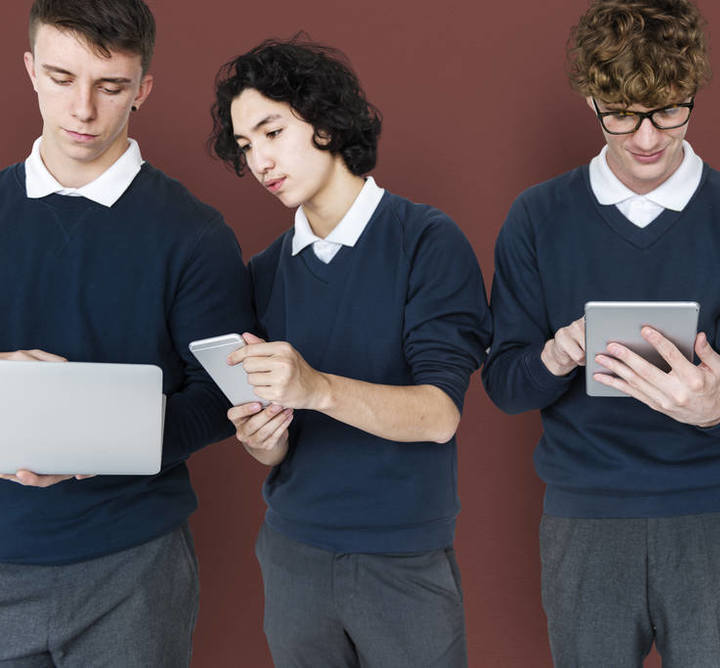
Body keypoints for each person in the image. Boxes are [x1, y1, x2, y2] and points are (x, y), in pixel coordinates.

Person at [481, 0, 720, 665]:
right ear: (592, 101)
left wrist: (719, 405)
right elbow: (506, 386)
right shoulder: (537, 217)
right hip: (585, 521)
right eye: (621, 115)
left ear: (693, 95)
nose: (647, 139)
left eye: (669, 110)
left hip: (714, 520)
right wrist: (555, 355)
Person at [209, 38, 491, 667]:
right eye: (247, 145)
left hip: (402, 560)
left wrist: (315, 388)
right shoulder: (264, 273)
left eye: (273, 130)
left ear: (327, 121)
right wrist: (262, 437)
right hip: (292, 556)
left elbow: (440, 414)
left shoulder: (427, 241)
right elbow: (274, 446)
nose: (260, 160)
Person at [0, 0, 253, 664]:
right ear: (29, 70)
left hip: (132, 569)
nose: (83, 109)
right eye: (61, 77)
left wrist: (106, 441)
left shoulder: (195, 235)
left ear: (142, 87)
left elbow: (225, 398)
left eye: (110, 86)